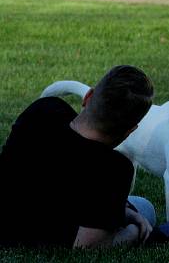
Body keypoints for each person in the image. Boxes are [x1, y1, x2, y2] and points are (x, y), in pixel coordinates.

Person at [0, 65, 156, 249]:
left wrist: (127, 211)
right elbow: (86, 246)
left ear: (88, 97)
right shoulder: (114, 168)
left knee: (134, 208)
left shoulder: (44, 110)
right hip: (34, 237)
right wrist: (134, 233)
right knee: (145, 209)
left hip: (7, 217)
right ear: (130, 130)